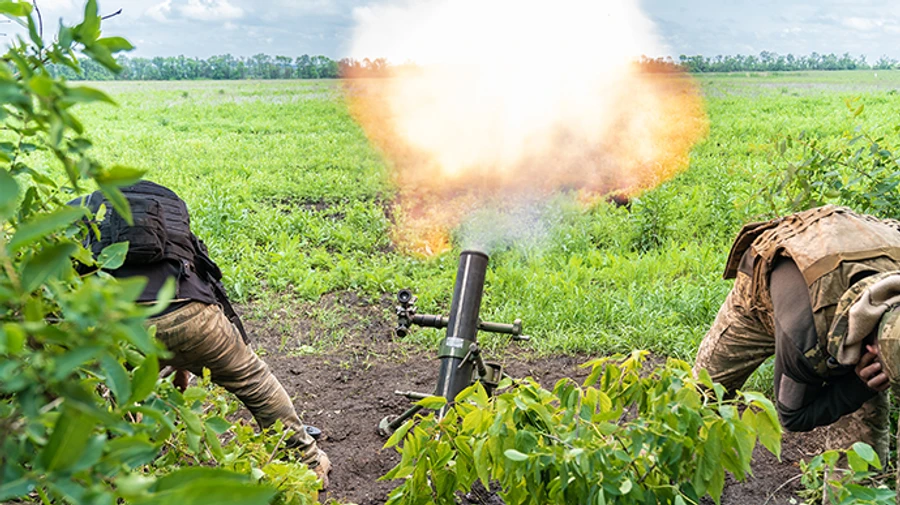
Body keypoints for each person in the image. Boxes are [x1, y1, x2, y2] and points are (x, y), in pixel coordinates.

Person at [73, 180, 332, 487]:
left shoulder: (85, 223)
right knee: (253, 380)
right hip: (192, 315)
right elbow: (199, 276)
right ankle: (308, 462)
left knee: (110, 390)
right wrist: (183, 365)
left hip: (120, 324)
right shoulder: (172, 225)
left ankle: (118, 477)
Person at [693, 204, 900, 464]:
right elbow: (793, 416)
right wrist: (857, 387)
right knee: (702, 393)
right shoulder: (805, 338)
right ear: (871, 350)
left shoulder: (890, 342)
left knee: (860, 456)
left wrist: (861, 385)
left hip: (854, 252)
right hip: (769, 284)